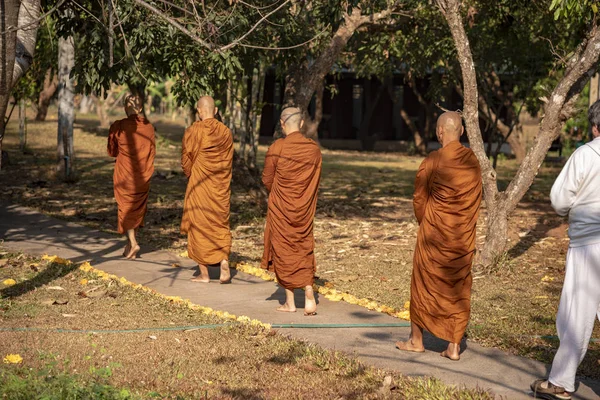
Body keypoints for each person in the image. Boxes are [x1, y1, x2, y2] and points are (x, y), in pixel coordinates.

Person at [396, 111, 482, 360]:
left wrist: (428, 224)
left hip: (434, 235)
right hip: (462, 236)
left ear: (439, 132)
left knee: (422, 284)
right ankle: (454, 346)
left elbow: (419, 199)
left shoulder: (432, 161)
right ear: (463, 132)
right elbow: (475, 200)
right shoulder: (472, 161)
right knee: (459, 285)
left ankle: (416, 340)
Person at [530, 101, 600, 400]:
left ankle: (560, 381)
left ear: (595, 126)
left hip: (588, 245)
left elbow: (559, 199)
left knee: (576, 313)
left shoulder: (586, 154)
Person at [261, 107, 322, 315]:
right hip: (303, 209)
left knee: (283, 249)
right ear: (302, 124)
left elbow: (267, 179)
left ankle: (290, 302)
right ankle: (308, 293)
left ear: (281, 123)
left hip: (282, 208)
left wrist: (279, 193)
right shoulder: (313, 149)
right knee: (302, 247)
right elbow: (315, 180)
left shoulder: (277, 147)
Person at [181, 96, 234, 283]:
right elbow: (228, 161)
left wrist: (193, 174)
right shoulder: (226, 132)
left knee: (198, 226)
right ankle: (224, 262)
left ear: (198, 111)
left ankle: (204, 275)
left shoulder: (193, 131)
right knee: (220, 224)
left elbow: (186, 161)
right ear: (216, 110)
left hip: (201, 186)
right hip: (220, 187)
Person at [107, 94, 155, 259]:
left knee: (126, 209)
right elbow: (152, 152)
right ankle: (130, 246)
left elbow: (112, 151)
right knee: (135, 209)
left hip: (125, 176)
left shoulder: (118, 126)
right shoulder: (148, 127)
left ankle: (133, 243)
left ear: (125, 108)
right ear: (140, 109)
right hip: (143, 175)